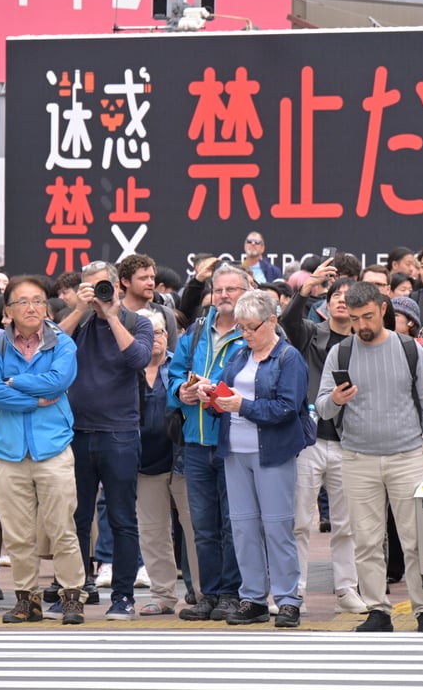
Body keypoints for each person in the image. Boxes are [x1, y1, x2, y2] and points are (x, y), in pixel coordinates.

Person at [315, 282, 423, 633]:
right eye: (355, 319)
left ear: (383, 309)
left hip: (406, 456)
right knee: (367, 540)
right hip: (357, 459)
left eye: (368, 316)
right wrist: (337, 400)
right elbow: (322, 407)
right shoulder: (340, 353)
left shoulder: (409, 350)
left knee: (416, 538)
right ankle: (378, 610)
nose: (362, 325)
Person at [208, 290, 310, 627]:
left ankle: (287, 599)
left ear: (272, 321)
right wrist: (210, 394)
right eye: (241, 327)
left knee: (278, 526)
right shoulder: (239, 355)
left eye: (252, 327)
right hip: (235, 450)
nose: (246, 334)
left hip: (272, 451)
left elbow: (287, 407)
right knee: (243, 527)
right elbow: (226, 394)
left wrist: (243, 407)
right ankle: (252, 597)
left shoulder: (288, 357)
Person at [60, 259, 154, 621]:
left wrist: (112, 315)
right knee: (76, 519)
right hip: (77, 433)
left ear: (118, 287)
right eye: (91, 286)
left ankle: (123, 596)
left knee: (121, 519)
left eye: (103, 286)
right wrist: (81, 309)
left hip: (120, 434)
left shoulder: (136, 321)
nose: (98, 293)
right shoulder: (76, 323)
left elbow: (138, 358)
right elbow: (48, 348)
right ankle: (76, 590)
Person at [0, 275, 84, 624]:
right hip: (7, 452)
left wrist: (14, 382)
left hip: (53, 450)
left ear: (47, 307)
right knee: (17, 534)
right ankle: (26, 599)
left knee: (62, 528)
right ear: (8, 311)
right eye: (23, 302)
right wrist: (34, 401)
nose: (32, 307)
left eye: (38, 301)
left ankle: (72, 596)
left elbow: (58, 382)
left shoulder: (62, 344)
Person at [279, 260, 367, 615]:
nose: (342, 301)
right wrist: (305, 289)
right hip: (308, 440)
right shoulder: (310, 334)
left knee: (347, 523)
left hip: (350, 442)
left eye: (349, 296)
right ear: (325, 302)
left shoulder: (365, 341)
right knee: (300, 520)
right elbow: (287, 322)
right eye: (335, 295)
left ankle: (346, 588)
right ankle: (292, 591)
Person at [168, 263, 249, 622]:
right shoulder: (197, 331)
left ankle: (233, 593)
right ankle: (210, 593)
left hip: (234, 441)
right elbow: (174, 372)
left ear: (247, 293)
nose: (225, 296)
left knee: (234, 523)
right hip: (195, 441)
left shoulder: (251, 332)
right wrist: (182, 391)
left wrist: (214, 388)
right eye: (219, 290)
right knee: (202, 526)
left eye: (233, 290)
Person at [133, 309, 185, 617]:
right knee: (153, 531)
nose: (156, 337)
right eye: (148, 332)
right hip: (143, 461)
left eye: (161, 331)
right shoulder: (129, 367)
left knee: (194, 529)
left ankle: (205, 592)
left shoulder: (178, 365)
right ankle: (163, 595)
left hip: (181, 459)